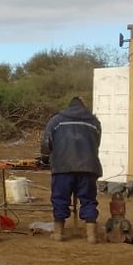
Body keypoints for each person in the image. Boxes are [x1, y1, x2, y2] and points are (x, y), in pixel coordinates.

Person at [40, 96, 103, 242]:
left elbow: (46, 141)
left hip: (62, 167)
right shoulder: (94, 122)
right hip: (88, 167)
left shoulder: (56, 120)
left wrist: (45, 158)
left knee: (60, 199)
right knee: (88, 200)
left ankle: (58, 233)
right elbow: (97, 143)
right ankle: (91, 235)